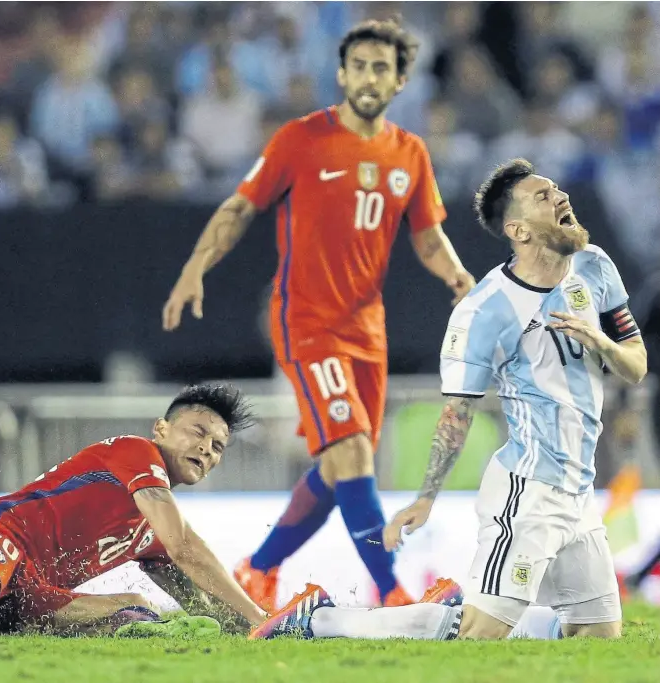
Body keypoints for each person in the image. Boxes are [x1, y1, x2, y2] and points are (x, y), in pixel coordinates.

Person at [249, 159, 647, 641]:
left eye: (558, 190)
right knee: (477, 638)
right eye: (543, 196)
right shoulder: (485, 309)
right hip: (528, 490)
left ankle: (452, 605)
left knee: (597, 638)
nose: (561, 198)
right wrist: (426, 497)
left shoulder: (595, 266)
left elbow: (636, 361)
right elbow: (458, 413)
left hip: (579, 493)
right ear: (518, 229)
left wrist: (601, 343)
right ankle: (318, 617)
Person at [162, 19, 476, 611]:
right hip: (306, 320)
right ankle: (391, 593)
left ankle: (257, 569)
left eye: (381, 67)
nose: (368, 76)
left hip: (368, 330)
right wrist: (194, 266)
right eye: (358, 65)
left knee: (340, 468)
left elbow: (429, 237)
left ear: (400, 79)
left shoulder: (409, 153)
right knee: (352, 450)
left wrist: (457, 275)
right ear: (341, 72)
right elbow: (238, 208)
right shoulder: (301, 139)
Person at [0, 384, 266, 635]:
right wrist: (257, 614)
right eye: (198, 432)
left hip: (31, 591)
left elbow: (207, 608)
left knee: (137, 610)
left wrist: (264, 627)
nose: (206, 448)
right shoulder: (135, 451)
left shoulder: (151, 532)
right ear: (161, 429)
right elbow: (184, 547)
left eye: (217, 446)